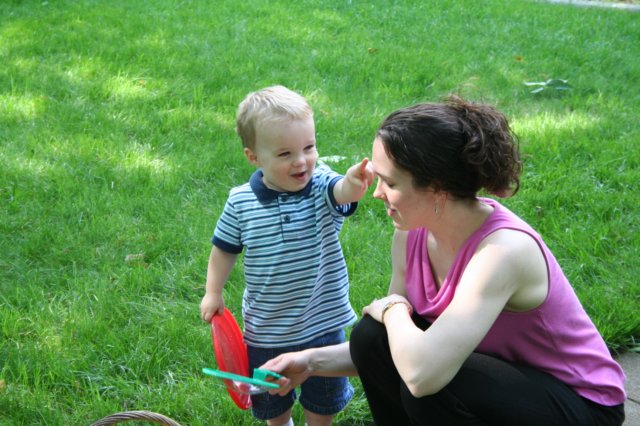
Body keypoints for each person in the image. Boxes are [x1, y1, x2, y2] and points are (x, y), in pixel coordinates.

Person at [261, 96, 627, 425]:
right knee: (373, 337)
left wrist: (392, 307)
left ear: (437, 187)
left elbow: (421, 374)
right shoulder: (411, 234)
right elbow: (392, 347)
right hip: (498, 385)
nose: (377, 193)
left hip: (580, 404)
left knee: (429, 386)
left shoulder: (503, 252)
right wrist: (309, 362)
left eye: (390, 183)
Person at [200, 85, 374, 426]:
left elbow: (342, 192)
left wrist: (354, 183)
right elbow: (223, 250)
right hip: (267, 330)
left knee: (323, 402)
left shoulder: (321, 185)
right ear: (254, 157)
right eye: (285, 154)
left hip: (322, 323)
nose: (301, 161)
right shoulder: (240, 202)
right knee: (272, 403)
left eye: (309, 147)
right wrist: (213, 291)